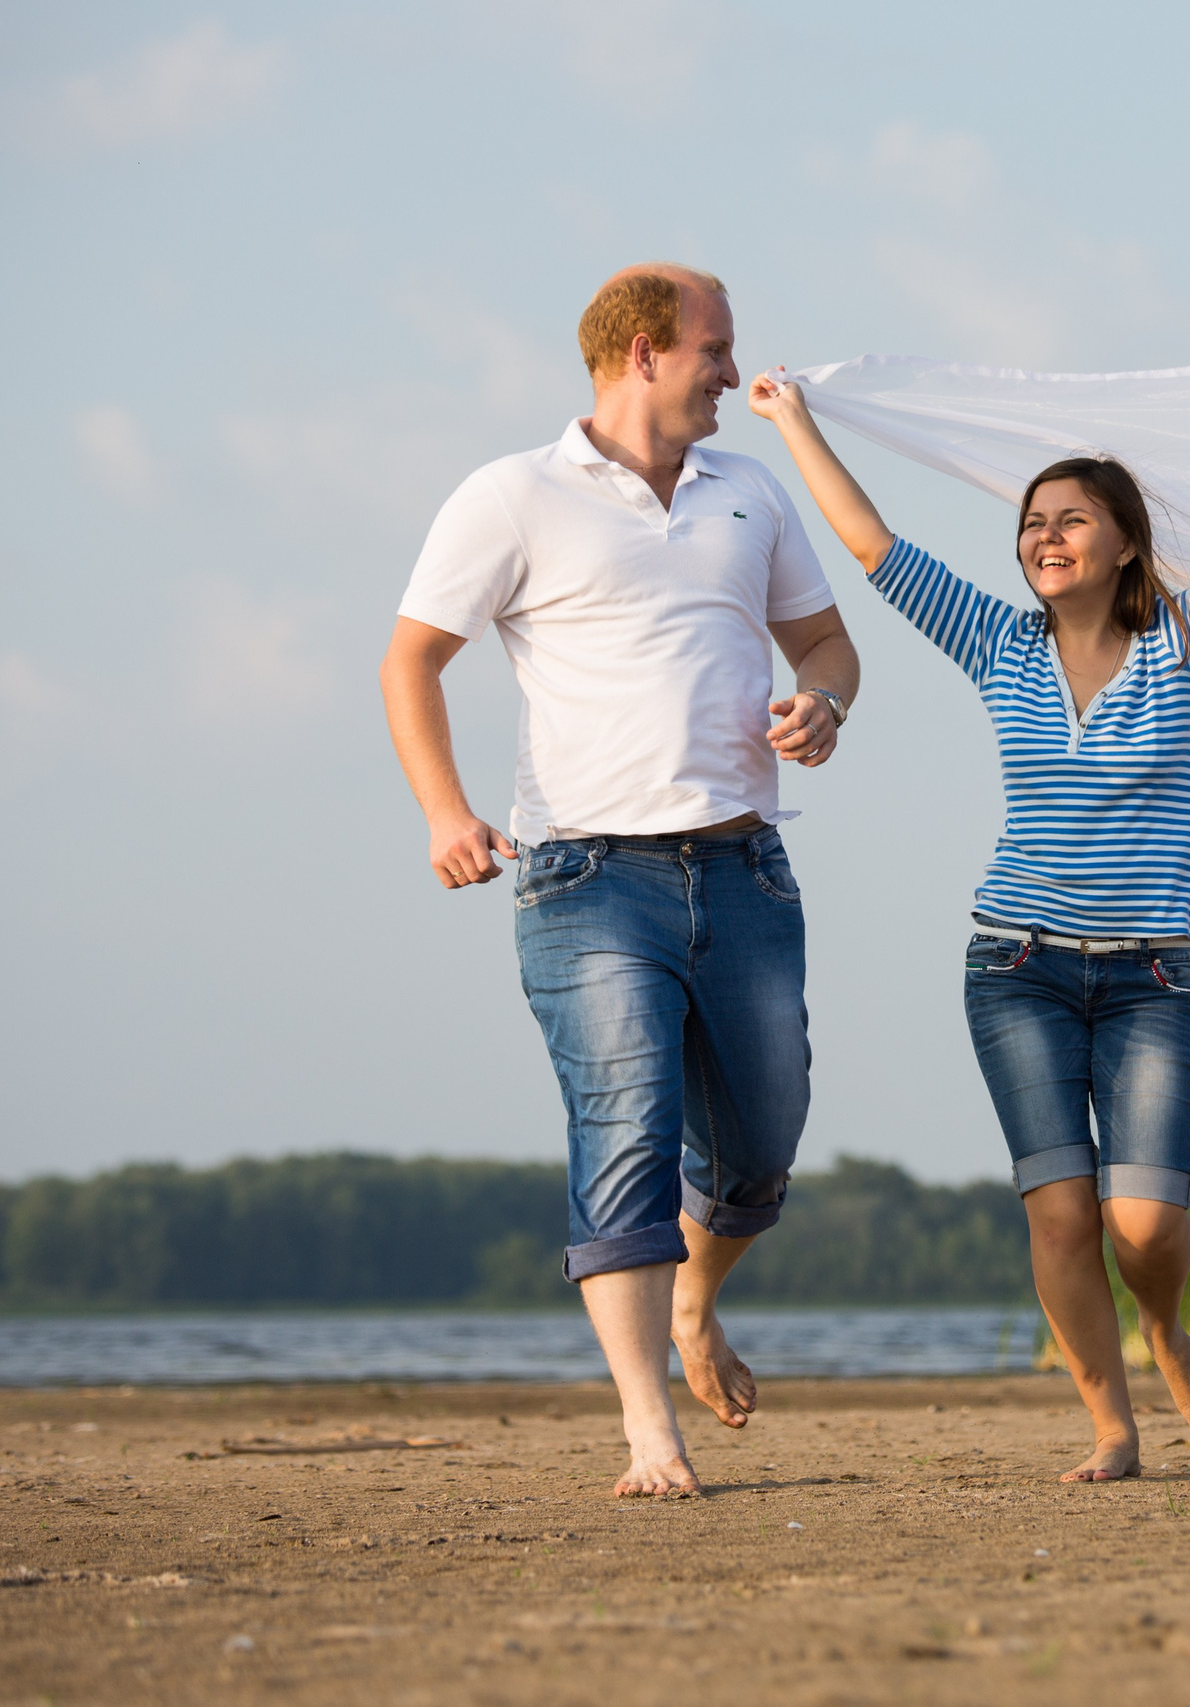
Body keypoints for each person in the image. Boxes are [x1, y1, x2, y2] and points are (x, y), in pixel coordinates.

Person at [749, 337, 1190, 1481]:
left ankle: (1163, 1327)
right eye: (1030, 523)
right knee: (1060, 1216)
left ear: (1124, 545)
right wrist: (794, 420)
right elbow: (874, 550)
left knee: (1142, 1225)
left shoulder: (1183, 644)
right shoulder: (996, 643)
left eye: (1069, 521)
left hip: (1156, 975)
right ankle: (1111, 1424)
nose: (1042, 537)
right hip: (1018, 970)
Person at [379, 264, 859, 1497]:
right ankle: (651, 1431)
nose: (728, 369)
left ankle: (695, 1301)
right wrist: (445, 811)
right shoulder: (513, 494)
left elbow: (825, 643)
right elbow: (411, 661)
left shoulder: (746, 492)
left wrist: (824, 703)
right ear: (643, 350)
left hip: (746, 866)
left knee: (761, 1146)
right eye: (716, 347)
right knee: (624, 1135)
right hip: (585, 880)